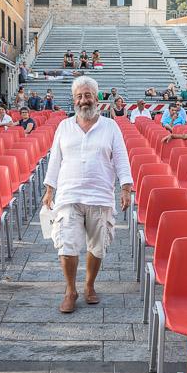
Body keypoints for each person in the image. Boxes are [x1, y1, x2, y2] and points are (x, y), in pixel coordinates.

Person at [43, 75, 132, 313]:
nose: (84, 100)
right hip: (69, 195)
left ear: (97, 97)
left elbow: (122, 159)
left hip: (100, 195)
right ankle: (70, 289)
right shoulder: (64, 126)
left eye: (88, 95)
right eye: (79, 96)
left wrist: (126, 188)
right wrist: (49, 189)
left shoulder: (110, 127)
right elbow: (55, 160)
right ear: (74, 100)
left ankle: (89, 285)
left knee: (98, 246)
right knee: (67, 245)